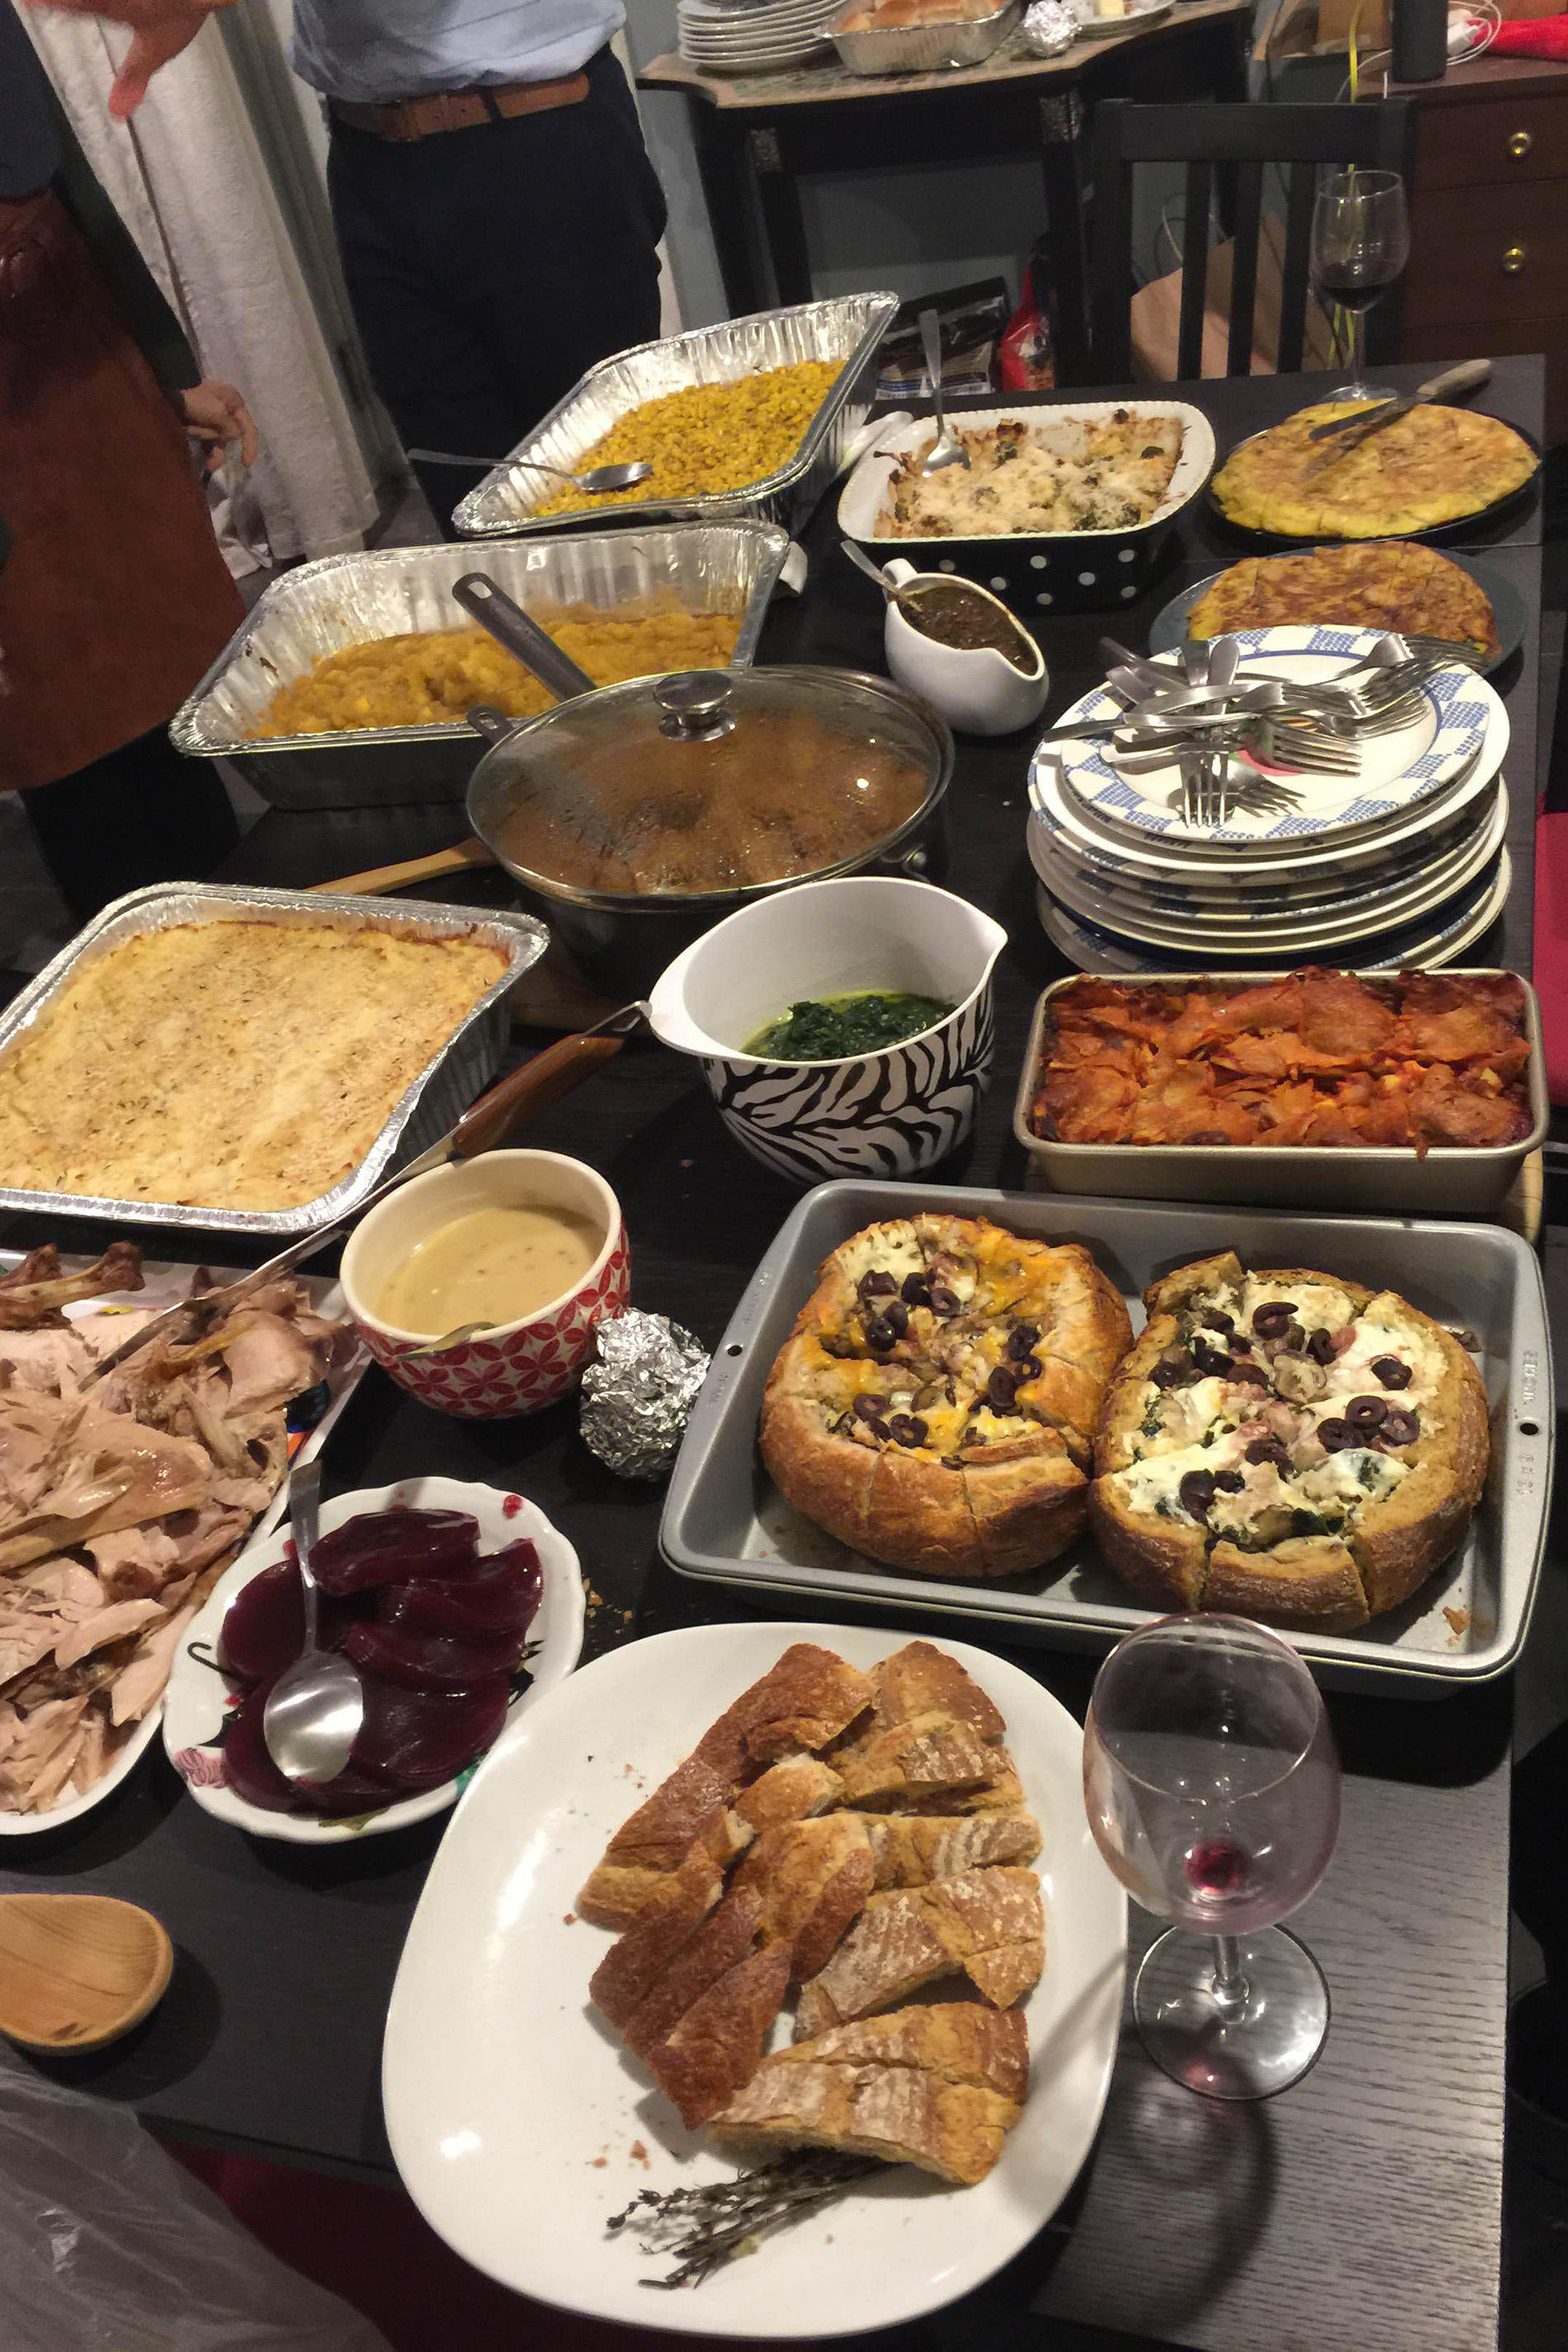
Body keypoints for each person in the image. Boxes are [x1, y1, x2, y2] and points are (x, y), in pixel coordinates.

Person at [31, 0, 669, 527]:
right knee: (467, 492)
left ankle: (672, 669)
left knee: (605, 475)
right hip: (373, 156)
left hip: (539, 136)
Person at [0, 1, 258, 926]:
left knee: (172, 702)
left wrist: (160, 372)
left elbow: (55, 168)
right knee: (72, 746)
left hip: (68, 342)